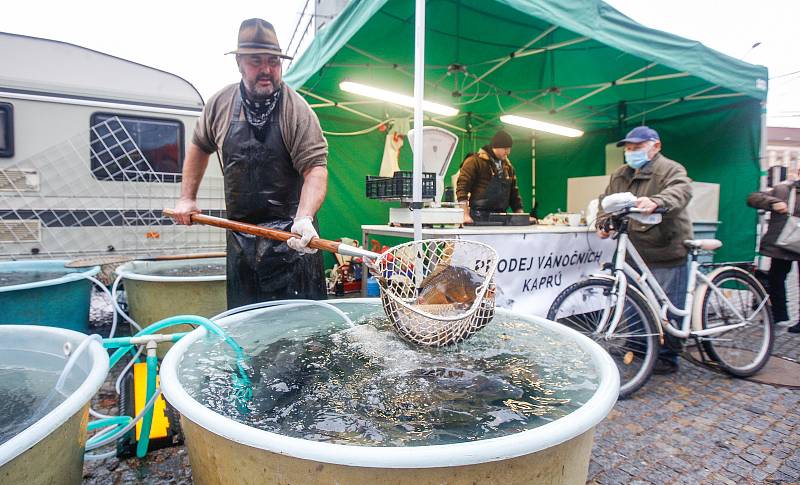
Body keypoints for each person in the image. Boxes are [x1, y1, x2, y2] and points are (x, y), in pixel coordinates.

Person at [171, 18, 328, 308]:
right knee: (246, 332)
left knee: (303, 338)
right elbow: (198, 147)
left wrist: (304, 218)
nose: (267, 69)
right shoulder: (219, 105)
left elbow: (315, 169)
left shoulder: (297, 110)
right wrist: (186, 198)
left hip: (291, 241)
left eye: (274, 61)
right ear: (240, 63)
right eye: (257, 61)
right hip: (241, 241)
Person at [597, 126, 693, 374]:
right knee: (633, 302)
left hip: (665, 248)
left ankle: (668, 355)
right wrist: (602, 222)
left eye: (637, 148)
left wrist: (658, 201)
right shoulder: (620, 174)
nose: (631, 152)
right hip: (633, 251)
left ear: (656, 146)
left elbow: (681, 190)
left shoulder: (670, 169)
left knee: (666, 305)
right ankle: (641, 347)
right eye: (628, 148)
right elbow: (606, 201)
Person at [747, 172, 800, 333]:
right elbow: (753, 198)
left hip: (788, 241)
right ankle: (778, 315)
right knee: (776, 278)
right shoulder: (783, 189)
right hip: (783, 245)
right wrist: (773, 202)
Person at [456, 130, 524, 224]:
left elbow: (514, 193)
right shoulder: (474, 161)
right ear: (496, 147)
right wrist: (465, 215)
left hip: (501, 218)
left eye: (509, 148)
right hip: (478, 217)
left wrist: (521, 214)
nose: (508, 152)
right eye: (505, 148)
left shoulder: (508, 167)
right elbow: (462, 188)